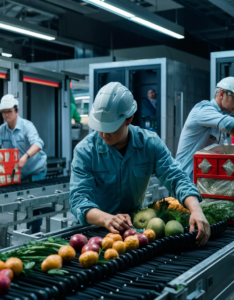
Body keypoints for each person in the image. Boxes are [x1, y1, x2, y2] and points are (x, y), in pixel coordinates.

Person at [70, 82, 210, 246]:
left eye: (110, 128)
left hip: (134, 230)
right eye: (100, 127)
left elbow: (176, 178)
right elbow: (79, 200)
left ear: (129, 119)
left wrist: (196, 210)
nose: (103, 134)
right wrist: (107, 219)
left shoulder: (149, 144)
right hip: (92, 234)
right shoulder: (85, 151)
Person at [176, 77, 234, 180]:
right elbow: (233, 126)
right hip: (186, 179)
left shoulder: (219, 119)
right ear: (221, 94)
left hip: (203, 179)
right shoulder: (203, 109)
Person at [0, 94, 48, 233]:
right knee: (24, 203)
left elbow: (38, 143)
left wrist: (25, 156)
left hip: (36, 170)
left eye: (9, 111)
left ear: (16, 111)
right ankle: (29, 228)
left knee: (34, 205)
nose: (6, 115)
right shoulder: (2, 130)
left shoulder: (27, 126)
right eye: (3, 112)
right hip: (19, 173)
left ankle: (33, 233)